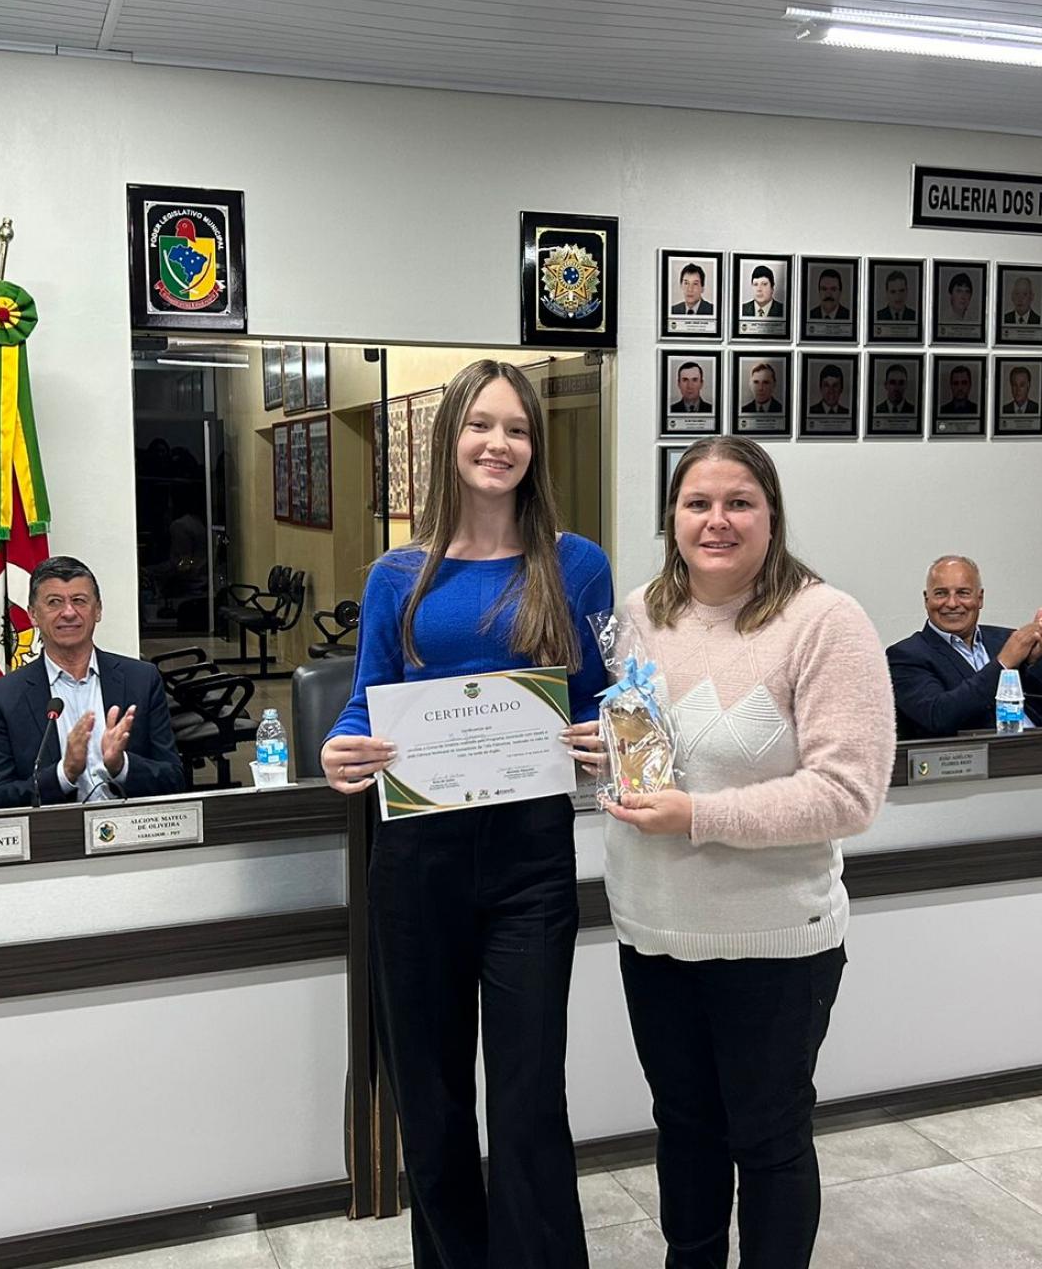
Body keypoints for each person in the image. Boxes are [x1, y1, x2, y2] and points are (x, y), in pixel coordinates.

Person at [320, 359, 613, 1269]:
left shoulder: (576, 564)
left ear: (535, 446)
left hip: (530, 860)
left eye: (517, 429)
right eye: (481, 425)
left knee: (528, 1099)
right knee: (433, 1100)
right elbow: (368, 701)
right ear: (448, 439)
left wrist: (608, 736)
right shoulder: (396, 575)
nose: (499, 444)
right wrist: (340, 748)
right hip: (417, 862)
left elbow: (603, 697)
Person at [601, 435, 895, 1268]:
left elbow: (849, 793)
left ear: (772, 516)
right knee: (683, 1129)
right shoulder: (639, 614)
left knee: (767, 1139)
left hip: (773, 942)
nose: (717, 521)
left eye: (739, 504)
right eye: (697, 503)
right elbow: (641, 744)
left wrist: (697, 815)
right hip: (654, 930)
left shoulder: (825, 621)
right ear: (672, 517)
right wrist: (601, 752)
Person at [0, 555, 186, 809]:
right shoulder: (2, 698)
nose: (68, 612)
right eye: (54, 602)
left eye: (79, 600)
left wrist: (121, 766)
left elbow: (174, 780)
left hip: (130, 824)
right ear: (33, 615)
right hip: (54, 831)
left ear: (97, 610)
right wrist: (64, 774)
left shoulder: (141, 680)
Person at [886, 555, 1042, 739]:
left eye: (963, 593)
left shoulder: (1007, 639)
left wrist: (1033, 662)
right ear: (927, 600)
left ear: (980, 598)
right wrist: (1003, 664)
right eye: (941, 593)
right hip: (980, 755)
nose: (952, 603)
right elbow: (938, 717)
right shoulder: (906, 655)